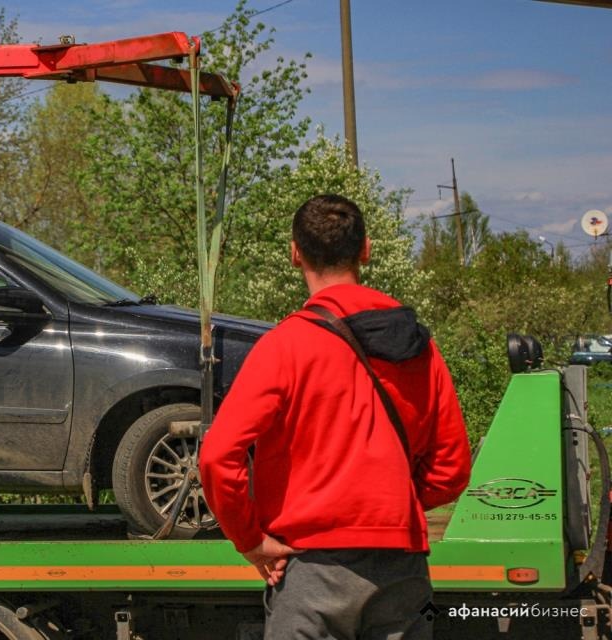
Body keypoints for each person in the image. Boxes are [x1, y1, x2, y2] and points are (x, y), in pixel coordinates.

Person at [198, 194, 471, 640]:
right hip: (402, 567)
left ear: (294, 253)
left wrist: (250, 541)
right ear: (364, 250)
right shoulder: (420, 348)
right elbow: (452, 469)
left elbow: (217, 458)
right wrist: (384, 507)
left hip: (312, 569)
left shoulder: (285, 346)